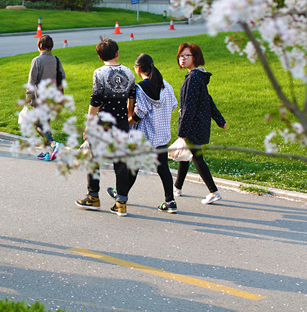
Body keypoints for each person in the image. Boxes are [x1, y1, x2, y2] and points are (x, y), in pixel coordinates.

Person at [76, 38, 136, 216]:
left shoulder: (99, 73)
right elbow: (131, 99)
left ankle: (93, 196)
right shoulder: (129, 72)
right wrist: (127, 115)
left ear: (100, 56)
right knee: (121, 162)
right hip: (122, 122)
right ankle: (121, 203)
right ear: (117, 53)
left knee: (93, 158)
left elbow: (96, 100)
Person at [116, 53, 179, 213]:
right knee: (163, 169)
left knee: (133, 168)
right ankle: (170, 201)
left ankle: (121, 195)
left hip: (144, 137)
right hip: (161, 135)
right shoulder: (166, 85)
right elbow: (173, 105)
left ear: (138, 69)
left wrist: (126, 124)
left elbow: (139, 113)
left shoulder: (139, 89)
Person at [174, 42, 226, 205]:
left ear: (195, 57)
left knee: (196, 156)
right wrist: (219, 119)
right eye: (180, 56)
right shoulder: (197, 77)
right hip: (198, 123)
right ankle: (177, 187)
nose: (182, 59)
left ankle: (213, 191)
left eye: (186, 56)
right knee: (185, 154)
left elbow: (189, 107)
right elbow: (208, 100)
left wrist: (182, 129)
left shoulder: (193, 79)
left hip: (193, 124)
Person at [25, 35, 65, 160]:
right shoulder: (56, 60)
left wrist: (28, 98)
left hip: (40, 98)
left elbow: (32, 81)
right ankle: (47, 152)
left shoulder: (37, 60)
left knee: (37, 124)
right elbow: (62, 76)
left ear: (40, 46)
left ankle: (54, 144)